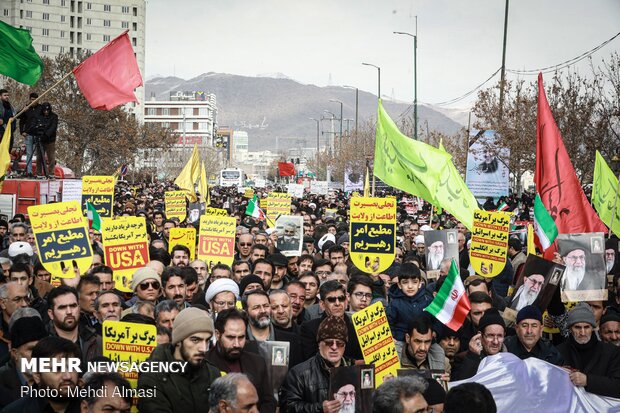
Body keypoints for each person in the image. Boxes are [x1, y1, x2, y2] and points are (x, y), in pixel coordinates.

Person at [137, 307, 222, 412]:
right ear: (178, 341)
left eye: (207, 341)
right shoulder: (151, 375)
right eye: (195, 340)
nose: (203, 349)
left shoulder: (212, 373)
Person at [206, 308, 276, 413]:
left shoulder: (257, 363)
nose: (237, 344)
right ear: (217, 334)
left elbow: (269, 401)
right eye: (230, 337)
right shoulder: (205, 363)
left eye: (241, 337)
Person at [280, 316, 353, 413]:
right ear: (319, 344)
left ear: (345, 346)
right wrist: (319, 408)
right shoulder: (299, 374)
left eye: (339, 343)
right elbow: (287, 407)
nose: (334, 347)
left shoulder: (354, 372)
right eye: (328, 343)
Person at [556, 303, 620, 398]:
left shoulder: (611, 352)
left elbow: (617, 385)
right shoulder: (558, 352)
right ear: (570, 328)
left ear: (593, 328)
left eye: (586, 327)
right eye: (577, 327)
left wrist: (588, 380)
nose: (582, 332)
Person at [1, 337, 81, 413]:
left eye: (73, 367)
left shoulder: (90, 405)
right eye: (57, 369)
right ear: (37, 376)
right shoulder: (15, 411)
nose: (68, 376)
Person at [299, 280, 363, 361]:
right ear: (322, 304)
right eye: (331, 300)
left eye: (341, 298)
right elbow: (312, 360)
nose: (337, 303)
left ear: (346, 301)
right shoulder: (309, 328)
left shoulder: (358, 327)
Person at [0, 315, 48, 408]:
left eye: (43, 348)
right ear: (15, 353)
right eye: (31, 349)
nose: (39, 354)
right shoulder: (2, 382)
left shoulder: (57, 380)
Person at [386, 263, 433, 354]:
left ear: (420, 283)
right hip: (401, 341)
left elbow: (437, 320)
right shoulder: (394, 304)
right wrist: (392, 337)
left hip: (425, 341)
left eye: (414, 282)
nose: (410, 286)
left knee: (438, 352)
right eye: (405, 282)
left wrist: (435, 333)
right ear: (399, 285)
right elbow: (388, 323)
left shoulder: (428, 301)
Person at [451, 308, 506, 381]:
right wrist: (472, 357)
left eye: (499, 336)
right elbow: (460, 386)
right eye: (490, 336)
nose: (495, 342)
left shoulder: (511, 360)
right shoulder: (462, 359)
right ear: (480, 336)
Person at [18, 93, 41, 178]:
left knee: (40, 154)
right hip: (28, 134)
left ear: (38, 99)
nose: (33, 101)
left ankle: (39, 172)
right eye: (32, 99)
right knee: (29, 153)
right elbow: (19, 119)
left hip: (38, 134)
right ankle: (29, 172)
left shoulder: (41, 108)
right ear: (29, 99)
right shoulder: (27, 108)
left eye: (35, 99)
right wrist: (22, 131)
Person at [33, 102, 58, 178]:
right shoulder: (38, 116)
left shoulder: (54, 116)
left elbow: (53, 127)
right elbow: (34, 125)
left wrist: (46, 135)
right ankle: (39, 173)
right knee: (39, 157)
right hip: (40, 140)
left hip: (50, 140)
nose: (46, 112)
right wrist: (37, 134)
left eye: (47, 110)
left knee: (51, 157)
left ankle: (51, 173)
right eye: (44, 110)